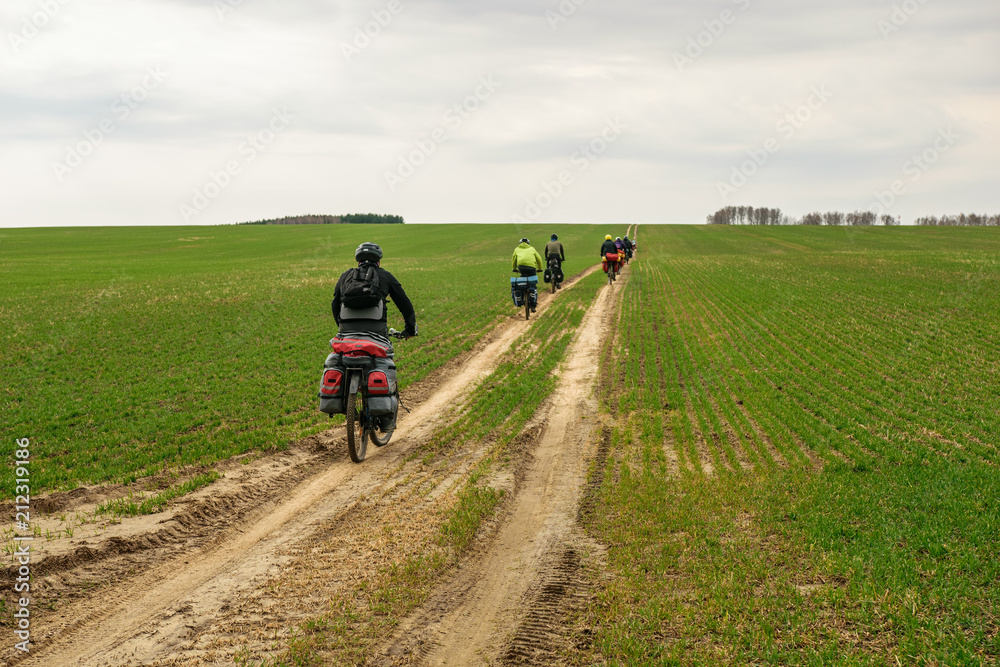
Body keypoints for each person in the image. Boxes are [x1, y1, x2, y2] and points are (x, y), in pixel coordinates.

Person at [332, 242, 417, 340]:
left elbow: (335, 304)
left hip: (346, 331)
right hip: (377, 332)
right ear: (378, 261)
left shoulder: (345, 276)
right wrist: (410, 329)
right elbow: (404, 303)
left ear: (358, 260)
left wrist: (341, 327)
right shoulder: (385, 276)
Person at [511, 237, 543, 311]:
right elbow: (539, 259)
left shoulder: (517, 249)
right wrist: (540, 268)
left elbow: (514, 260)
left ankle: (522, 298)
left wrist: (515, 268)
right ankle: (533, 305)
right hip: (531, 268)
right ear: (528, 243)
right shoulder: (532, 248)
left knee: (522, 282)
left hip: (521, 268)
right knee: (533, 285)